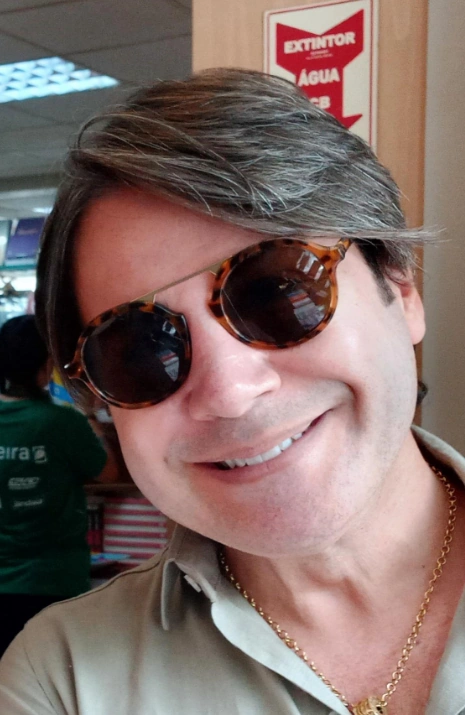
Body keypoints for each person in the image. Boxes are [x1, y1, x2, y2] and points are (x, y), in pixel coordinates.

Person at [0, 69, 463, 715]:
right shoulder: (61, 680)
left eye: (278, 292)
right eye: (137, 350)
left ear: (401, 289)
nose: (229, 391)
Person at [0, 315, 117, 656]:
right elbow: (108, 474)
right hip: (54, 579)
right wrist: (91, 417)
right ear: (43, 368)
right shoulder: (62, 422)